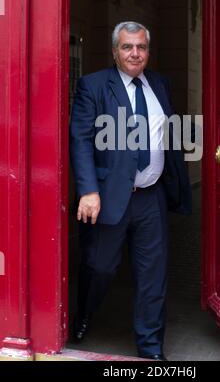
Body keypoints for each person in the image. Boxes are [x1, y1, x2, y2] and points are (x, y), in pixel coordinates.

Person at [70, 21, 192, 361]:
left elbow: (168, 135)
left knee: (153, 275)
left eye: (140, 47)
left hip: (151, 196)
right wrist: (88, 190)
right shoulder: (93, 86)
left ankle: (150, 349)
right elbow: (79, 140)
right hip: (108, 196)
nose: (134, 53)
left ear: (148, 51)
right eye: (127, 47)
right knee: (99, 267)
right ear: (114, 51)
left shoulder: (159, 85)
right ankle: (84, 314)